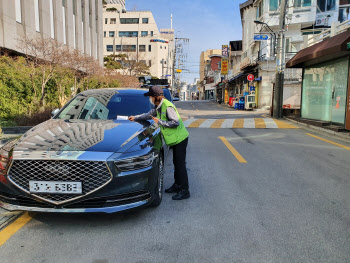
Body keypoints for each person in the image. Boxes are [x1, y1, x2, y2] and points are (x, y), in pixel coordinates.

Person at [128, 86, 190, 200]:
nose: (150, 99)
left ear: (156, 97)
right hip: (175, 139)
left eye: (150, 97)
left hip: (180, 139)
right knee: (176, 164)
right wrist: (135, 117)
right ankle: (177, 185)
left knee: (180, 165)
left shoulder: (167, 106)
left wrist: (159, 122)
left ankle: (185, 190)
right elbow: (148, 115)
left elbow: (175, 122)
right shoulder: (158, 107)